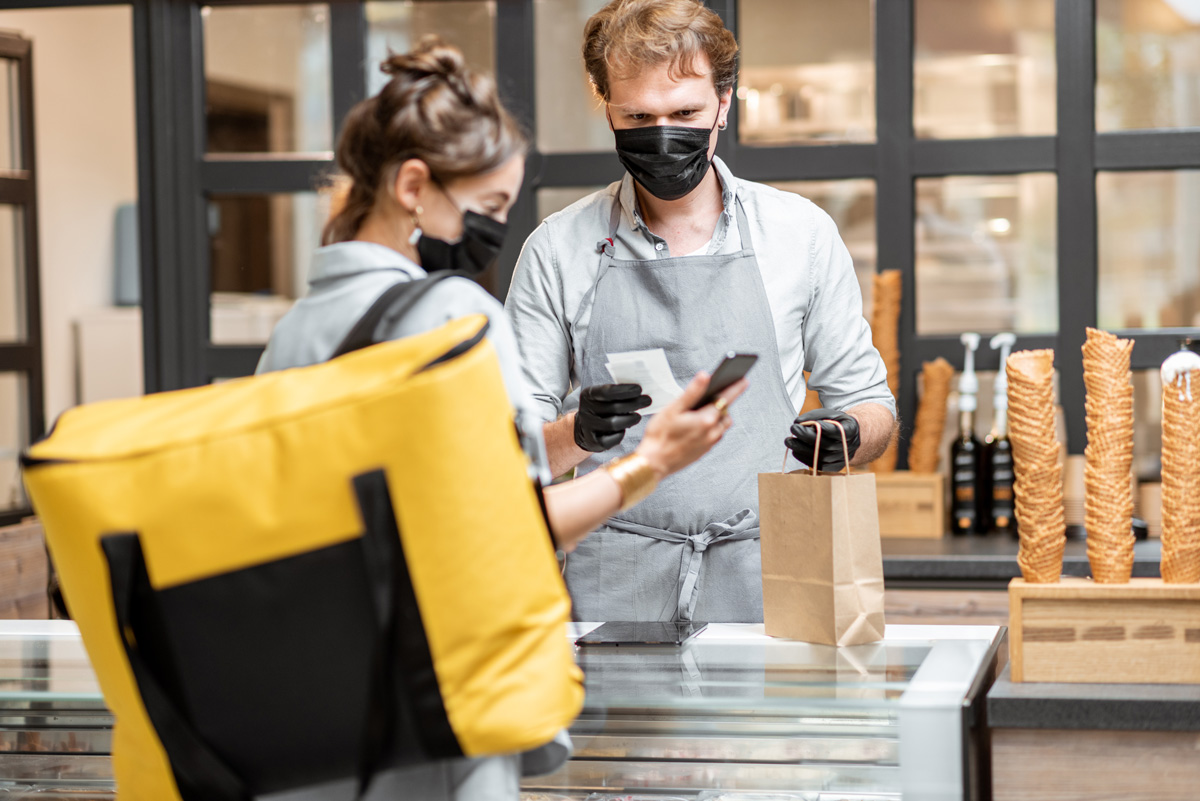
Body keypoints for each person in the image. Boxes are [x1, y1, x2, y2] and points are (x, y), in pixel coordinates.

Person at [256, 36, 746, 801]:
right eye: (487, 209)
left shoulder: (297, 328)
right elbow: (518, 529)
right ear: (413, 185)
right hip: (445, 710)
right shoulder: (453, 316)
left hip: (317, 707)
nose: (493, 233)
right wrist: (655, 459)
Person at [505, 0, 898, 625]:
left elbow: (873, 405)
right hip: (611, 580)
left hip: (774, 564)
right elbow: (510, 458)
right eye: (638, 116)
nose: (663, 134)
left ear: (724, 100)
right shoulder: (557, 250)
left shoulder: (801, 234)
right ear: (604, 104)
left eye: (685, 112)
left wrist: (847, 436)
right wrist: (577, 432)